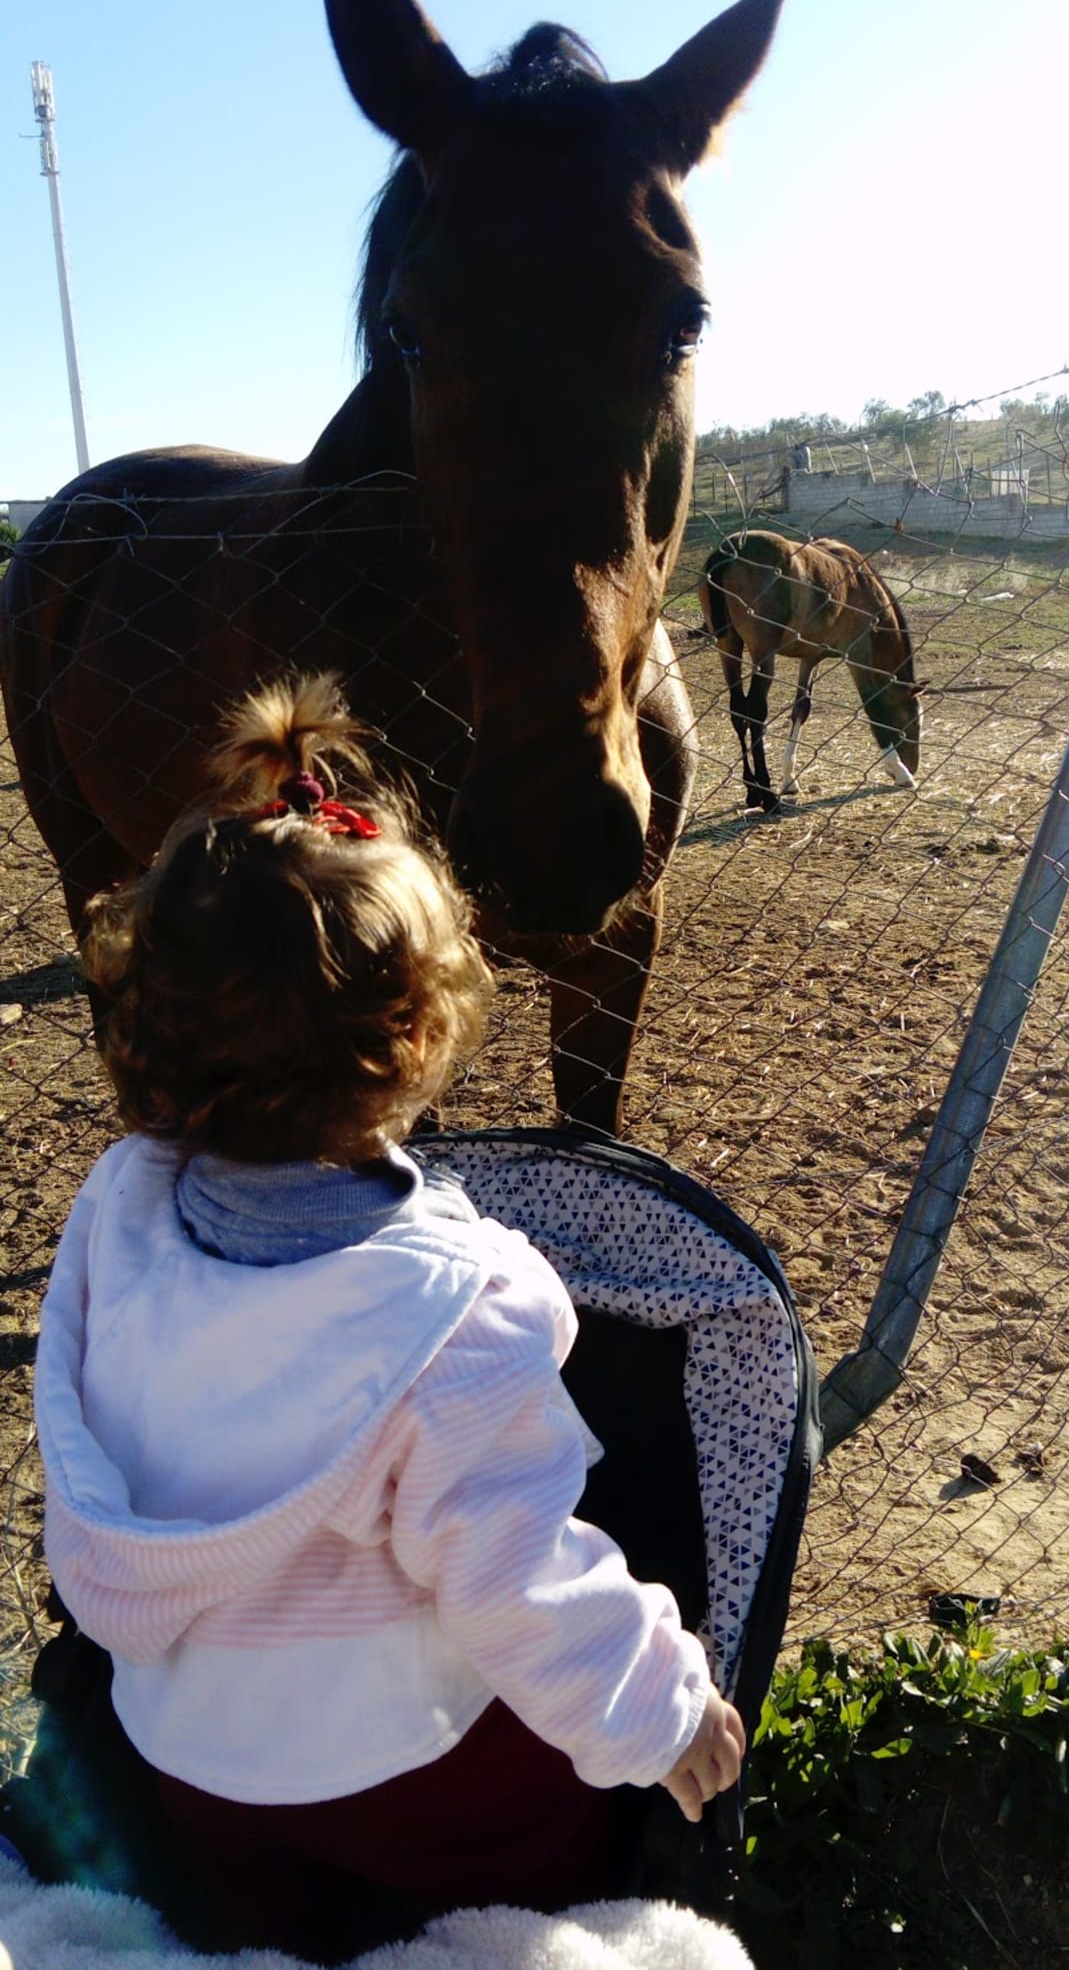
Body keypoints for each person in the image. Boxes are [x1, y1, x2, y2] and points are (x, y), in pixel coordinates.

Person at [34, 673, 745, 1960]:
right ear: (417, 1034)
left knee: (268, 1902)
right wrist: (664, 1707)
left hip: (195, 1768)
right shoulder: (459, 1317)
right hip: (406, 1780)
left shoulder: (116, 1221)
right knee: (553, 1801)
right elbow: (519, 1587)